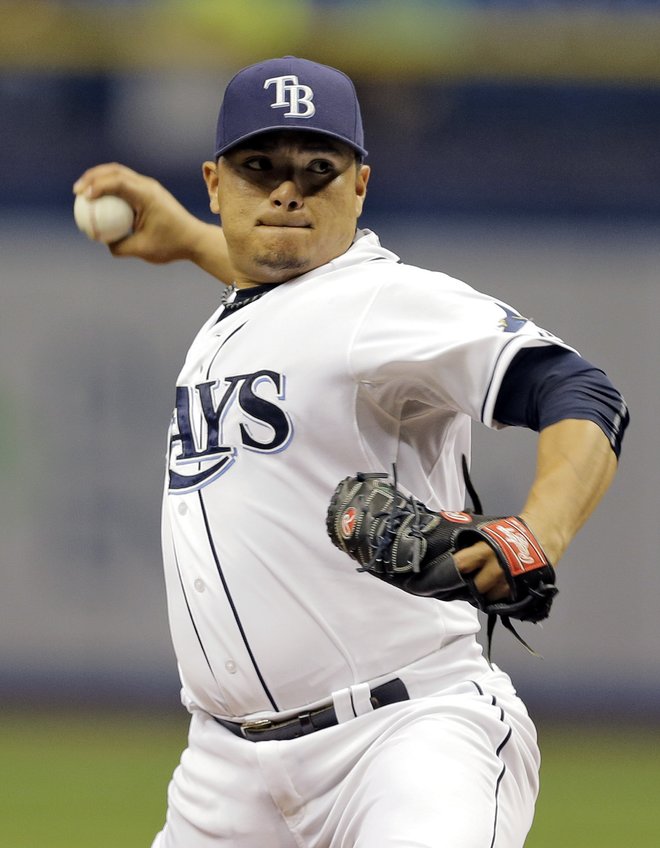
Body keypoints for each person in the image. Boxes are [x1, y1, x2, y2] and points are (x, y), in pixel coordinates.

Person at [73, 56, 628, 848]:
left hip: (403, 742)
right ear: (213, 181)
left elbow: (577, 390)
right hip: (225, 776)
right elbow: (287, 294)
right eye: (259, 167)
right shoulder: (263, 305)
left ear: (360, 186)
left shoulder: (387, 300)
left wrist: (536, 533)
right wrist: (195, 240)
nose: (287, 190)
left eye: (317, 170)